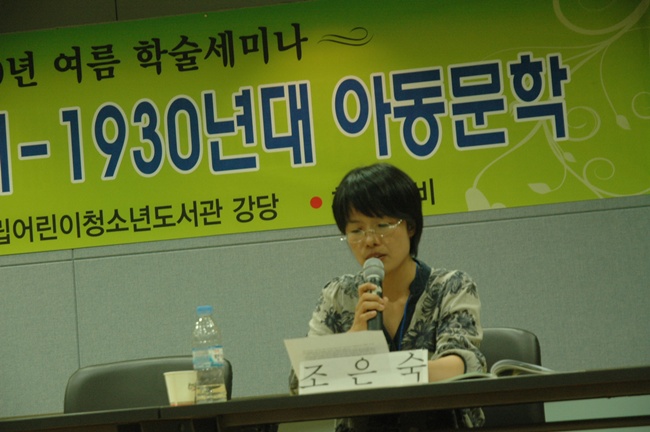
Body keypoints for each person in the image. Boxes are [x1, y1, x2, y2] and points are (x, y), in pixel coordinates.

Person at [289, 163, 486, 431]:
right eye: (356, 230)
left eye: (382, 225)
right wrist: (353, 340)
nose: (370, 240)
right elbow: (301, 382)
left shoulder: (450, 287)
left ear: (411, 227)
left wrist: (373, 370)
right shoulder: (338, 295)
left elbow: (461, 366)